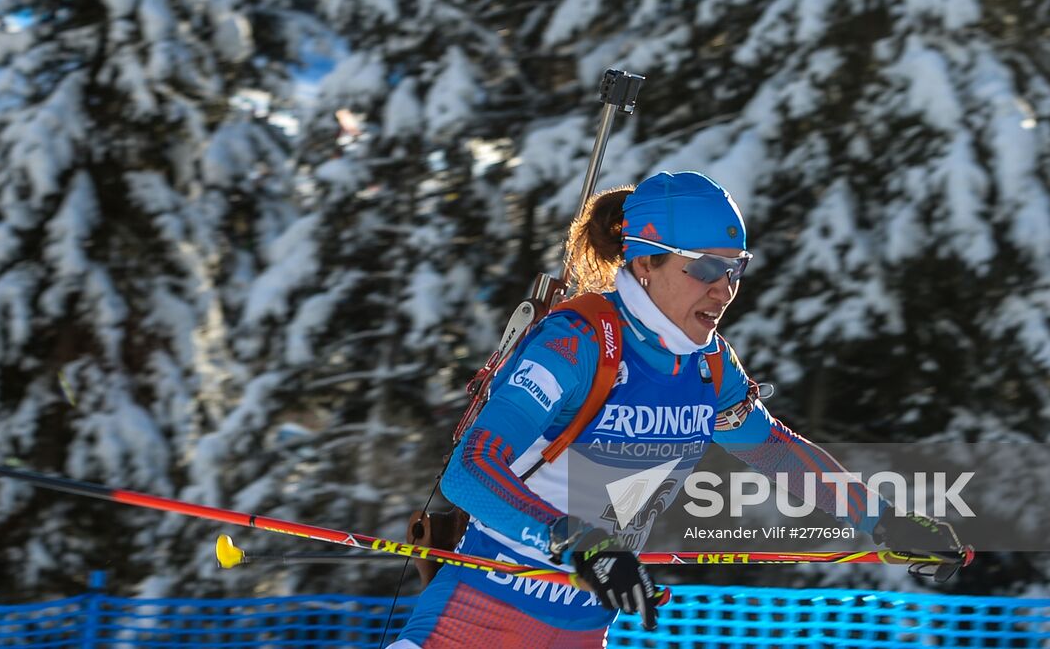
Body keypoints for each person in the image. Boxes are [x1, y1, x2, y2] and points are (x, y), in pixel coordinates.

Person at [388, 172, 965, 647]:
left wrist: (882, 519)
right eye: (707, 268)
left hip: (581, 631)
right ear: (646, 264)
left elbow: (773, 451)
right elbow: (470, 469)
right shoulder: (579, 341)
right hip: (477, 617)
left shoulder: (708, 365)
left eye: (735, 268)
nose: (725, 289)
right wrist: (573, 539)